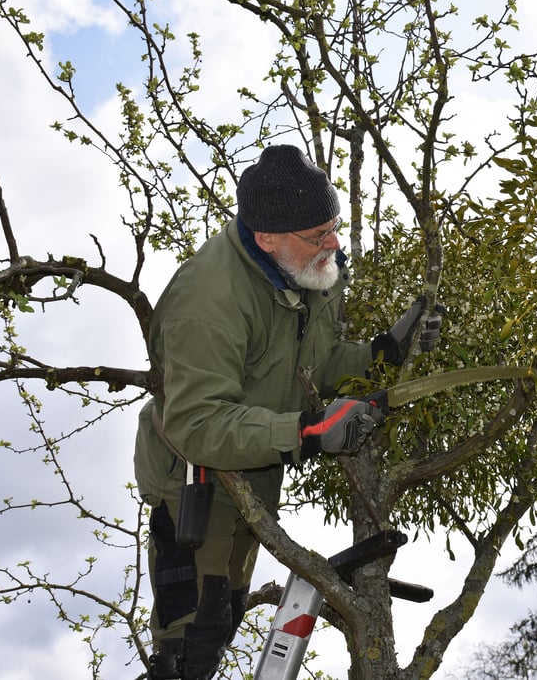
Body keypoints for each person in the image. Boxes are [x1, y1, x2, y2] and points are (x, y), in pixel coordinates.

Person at [133, 144, 442, 680]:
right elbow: (196, 423)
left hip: (257, 472)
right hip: (196, 482)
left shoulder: (309, 267)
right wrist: (307, 432)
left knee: (223, 621)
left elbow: (312, 364)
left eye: (334, 226)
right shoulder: (209, 300)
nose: (334, 245)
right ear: (266, 238)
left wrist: (381, 354)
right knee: (189, 647)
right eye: (318, 235)